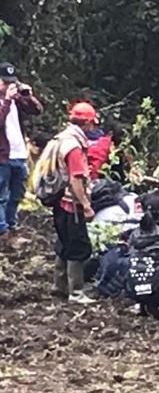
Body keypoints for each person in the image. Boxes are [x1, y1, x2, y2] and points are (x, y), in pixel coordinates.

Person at [35, 102, 96, 303]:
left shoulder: (60, 138)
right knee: (78, 246)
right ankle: (76, 292)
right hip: (72, 205)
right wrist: (86, 205)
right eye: (92, 123)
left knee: (63, 242)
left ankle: (58, 285)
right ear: (86, 122)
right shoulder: (74, 147)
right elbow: (76, 179)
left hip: (59, 201)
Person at [0, 62, 43, 245]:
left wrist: (28, 96)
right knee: (1, 195)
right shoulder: (7, 102)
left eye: (12, 82)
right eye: (5, 82)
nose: (9, 86)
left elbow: (37, 111)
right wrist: (7, 100)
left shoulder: (16, 99)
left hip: (19, 154)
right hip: (2, 156)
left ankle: (11, 226)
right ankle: (2, 232)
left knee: (16, 194)